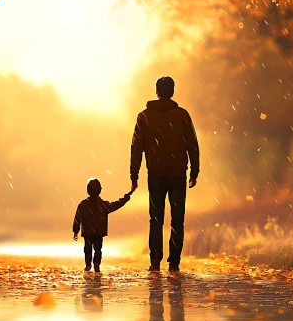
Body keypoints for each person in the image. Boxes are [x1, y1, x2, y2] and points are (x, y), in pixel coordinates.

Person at [130, 76, 200, 272]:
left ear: (157, 91)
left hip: (156, 175)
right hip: (178, 174)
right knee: (178, 218)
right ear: (173, 91)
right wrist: (194, 171)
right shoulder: (183, 115)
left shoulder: (144, 116)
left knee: (155, 219)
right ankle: (174, 263)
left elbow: (136, 147)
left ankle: (154, 262)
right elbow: (192, 145)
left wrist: (133, 174)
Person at [72, 178, 133, 272]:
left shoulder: (83, 204)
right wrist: (126, 198)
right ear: (100, 190)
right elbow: (116, 205)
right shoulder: (103, 205)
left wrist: (76, 231)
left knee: (88, 249)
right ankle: (96, 264)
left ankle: (88, 265)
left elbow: (77, 218)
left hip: (87, 233)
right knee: (98, 250)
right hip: (98, 232)